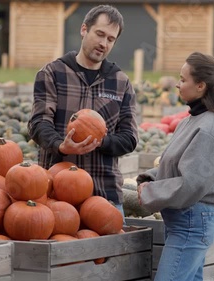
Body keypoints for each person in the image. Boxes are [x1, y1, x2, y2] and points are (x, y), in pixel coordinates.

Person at [136, 51, 214, 281]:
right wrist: (149, 178)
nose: (177, 84)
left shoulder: (210, 128)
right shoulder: (191, 121)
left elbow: (191, 183)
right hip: (186, 221)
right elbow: (175, 164)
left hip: (192, 223)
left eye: (183, 80)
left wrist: (151, 192)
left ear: (201, 86)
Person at [27, 4, 138, 215]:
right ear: (84, 29)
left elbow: (129, 138)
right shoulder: (52, 73)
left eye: (111, 39)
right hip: (56, 195)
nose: (103, 43)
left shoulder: (120, 82)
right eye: (100, 34)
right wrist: (62, 146)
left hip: (104, 194)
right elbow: (38, 124)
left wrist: (97, 140)